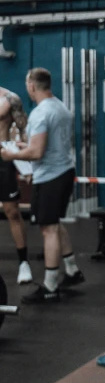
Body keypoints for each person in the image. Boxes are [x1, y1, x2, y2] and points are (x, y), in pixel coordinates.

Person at [0, 68, 84, 303]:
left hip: (51, 176)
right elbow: (40, 144)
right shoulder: (60, 107)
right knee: (54, 223)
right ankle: (72, 270)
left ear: (32, 86)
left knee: (48, 229)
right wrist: (23, 145)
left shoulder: (39, 114)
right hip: (64, 170)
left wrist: (11, 156)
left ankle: (49, 286)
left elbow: (36, 152)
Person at [0, 86, 33, 284]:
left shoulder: (10, 98)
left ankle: (23, 262)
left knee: (12, 211)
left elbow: (24, 130)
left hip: (2, 158)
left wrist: (28, 164)